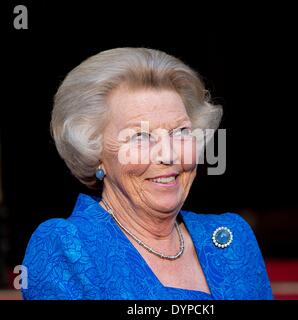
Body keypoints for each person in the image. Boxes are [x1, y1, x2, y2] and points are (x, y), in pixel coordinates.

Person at [22, 48, 273, 300]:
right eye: (141, 136)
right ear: (95, 153)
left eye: (181, 132)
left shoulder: (232, 237)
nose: (169, 154)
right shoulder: (66, 246)